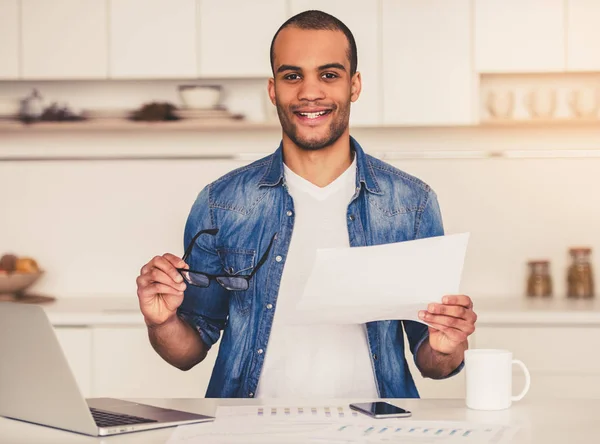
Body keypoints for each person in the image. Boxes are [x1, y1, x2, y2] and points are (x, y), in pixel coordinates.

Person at [135, 10, 477, 399]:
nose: (309, 92)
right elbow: (187, 352)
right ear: (272, 88)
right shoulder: (221, 203)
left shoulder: (411, 204)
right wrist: (161, 322)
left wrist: (447, 345)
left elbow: (431, 360)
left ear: (354, 85)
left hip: (378, 432)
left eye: (329, 75)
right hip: (248, 430)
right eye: (292, 75)